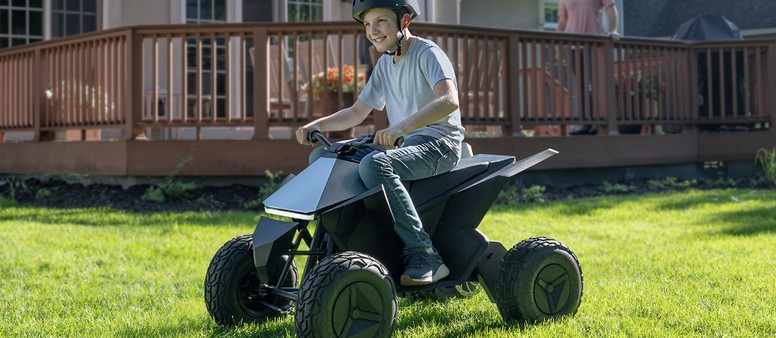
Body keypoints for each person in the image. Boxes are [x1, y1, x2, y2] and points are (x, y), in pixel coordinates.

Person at [295, 0, 464, 286]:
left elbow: (449, 100)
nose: (373, 31)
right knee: (324, 157)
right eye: (367, 24)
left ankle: (425, 253)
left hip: (440, 145)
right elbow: (357, 112)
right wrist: (317, 125)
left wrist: (401, 126)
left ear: (404, 22)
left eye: (381, 21)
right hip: (404, 142)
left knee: (374, 164)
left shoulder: (427, 53)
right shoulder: (386, 62)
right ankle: (337, 248)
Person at [557, 0, 620, 135]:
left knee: (594, 84)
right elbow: (562, 21)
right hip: (573, 48)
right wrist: (558, 44)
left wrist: (613, 30)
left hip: (594, 45)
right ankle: (585, 124)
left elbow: (611, 9)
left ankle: (598, 123)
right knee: (581, 87)